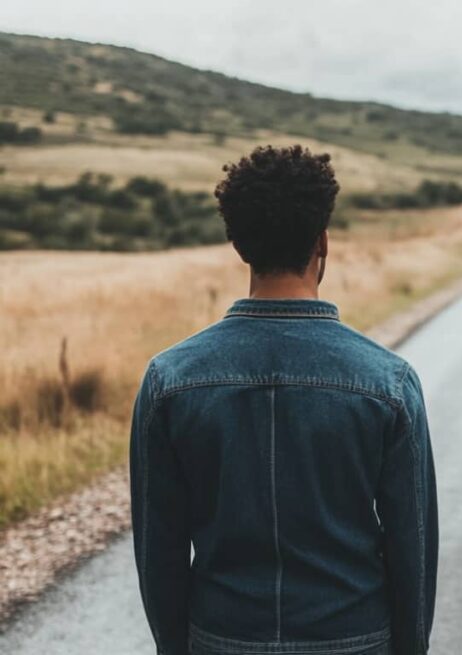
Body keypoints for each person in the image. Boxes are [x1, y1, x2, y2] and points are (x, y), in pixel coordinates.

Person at [130, 145, 437, 655]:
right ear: (323, 243)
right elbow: (413, 549)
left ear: (239, 244)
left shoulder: (169, 379)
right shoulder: (389, 382)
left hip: (223, 638)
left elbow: (158, 551)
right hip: (353, 638)